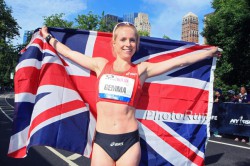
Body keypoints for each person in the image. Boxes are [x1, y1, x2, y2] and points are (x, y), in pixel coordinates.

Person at [40, 23, 220, 166]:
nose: (128, 44)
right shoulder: (100, 65)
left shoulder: (142, 70)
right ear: (114, 43)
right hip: (102, 140)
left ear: (137, 44)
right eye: (123, 40)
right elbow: (70, 53)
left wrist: (208, 53)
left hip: (129, 141)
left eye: (132, 40)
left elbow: (179, 62)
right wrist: (48, 37)